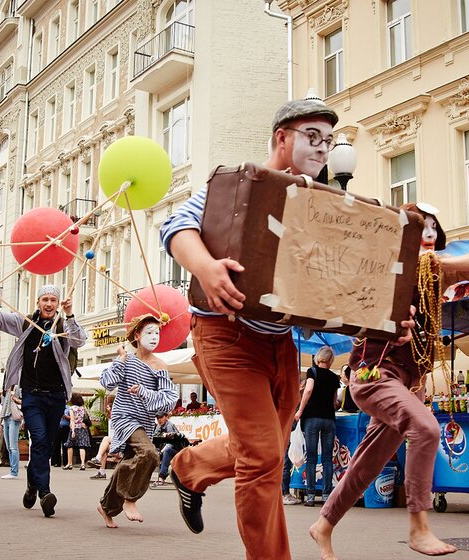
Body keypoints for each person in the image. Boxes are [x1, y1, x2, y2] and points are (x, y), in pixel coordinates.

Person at [160, 97, 350, 557]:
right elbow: (177, 224)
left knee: (266, 446)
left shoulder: (319, 204)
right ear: (282, 137)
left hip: (280, 343)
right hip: (225, 335)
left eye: (328, 140)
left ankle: (189, 467)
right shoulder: (243, 185)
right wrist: (205, 267)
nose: (322, 148)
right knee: (264, 457)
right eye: (312, 136)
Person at [309, 202, 469, 559]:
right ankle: (418, 527)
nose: (427, 233)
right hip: (373, 375)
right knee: (427, 430)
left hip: (407, 383)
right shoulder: (380, 271)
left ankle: (323, 525)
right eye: (418, 227)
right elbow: (346, 312)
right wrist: (390, 322)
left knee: (368, 463)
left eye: (432, 227)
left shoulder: (434, 273)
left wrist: (435, 264)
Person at [0, 283, 86, 518]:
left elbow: (80, 341)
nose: (49, 304)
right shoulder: (25, 322)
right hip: (32, 395)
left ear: (58, 303)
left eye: (53, 300)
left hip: (57, 396)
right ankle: (45, 492)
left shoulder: (63, 325)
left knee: (45, 447)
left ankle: (31, 485)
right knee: (38, 440)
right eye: (44, 299)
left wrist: (70, 314)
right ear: (38, 302)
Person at [96, 314, 178, 528]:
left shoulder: (160, 366)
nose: (154, 337)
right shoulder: (127, 359)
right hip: (124, 418)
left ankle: (106, 507)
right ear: (137, 335)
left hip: (145, 422)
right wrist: (120, 360)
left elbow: (168, 400)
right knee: (150, 454)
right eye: (149, 332)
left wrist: (144, 392)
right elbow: (107, 382)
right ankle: (130, 499)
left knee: (129, 463)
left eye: (157, 333)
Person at [294, 346, 339, 506]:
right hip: (329, 419)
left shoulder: (312, 372)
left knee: (312, 457)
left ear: (318, 358)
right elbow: (335, 403)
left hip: (312, 418)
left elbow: (309, 390)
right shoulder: (335, 378)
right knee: (328, 458)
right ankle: (327, 494)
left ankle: (311, 495)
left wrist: (300, 410)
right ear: (331, 360)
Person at [151, 412, 181, 486]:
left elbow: (170, 444)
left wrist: (160, 452)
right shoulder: (159, 426)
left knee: (166, 451)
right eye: (158, 418)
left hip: (177, 451)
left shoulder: (169, 425)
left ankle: (161, 478)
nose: (159, 420)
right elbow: (155, 440)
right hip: (165, 450)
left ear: (166, 417)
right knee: (151, 452)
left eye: (161, 417)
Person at [0, 385, 23, 479]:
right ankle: (12, 470)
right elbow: (3, 408)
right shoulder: (5, 390)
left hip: (14, 418)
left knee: (13, 447)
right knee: (9, 447)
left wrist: (15, 399)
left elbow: (24, 402)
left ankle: (14, 472)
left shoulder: (17, 388)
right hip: (5, 418)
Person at [64, 394, 91, 470]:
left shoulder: (72, 408)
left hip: (75, 428)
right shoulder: (83, 408)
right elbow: (88, 417)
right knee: (82, 446)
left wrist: (72, 430)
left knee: (70, 445)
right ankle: (82, 464)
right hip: (83, 428)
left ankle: (70, 464)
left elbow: (72, 420)